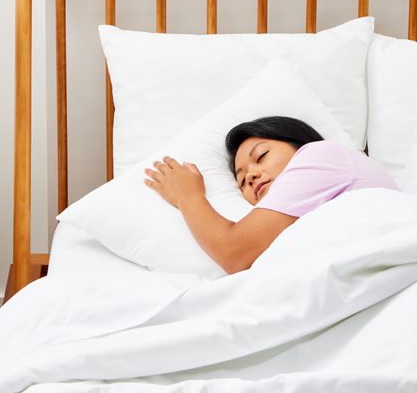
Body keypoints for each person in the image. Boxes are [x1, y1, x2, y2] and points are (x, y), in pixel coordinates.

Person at [144, 116, 398, 275]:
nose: (251, 176)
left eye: (261, 156)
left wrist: (187, 195)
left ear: (300, 145)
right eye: (242, 181)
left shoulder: (322, 154)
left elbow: (234, 253)